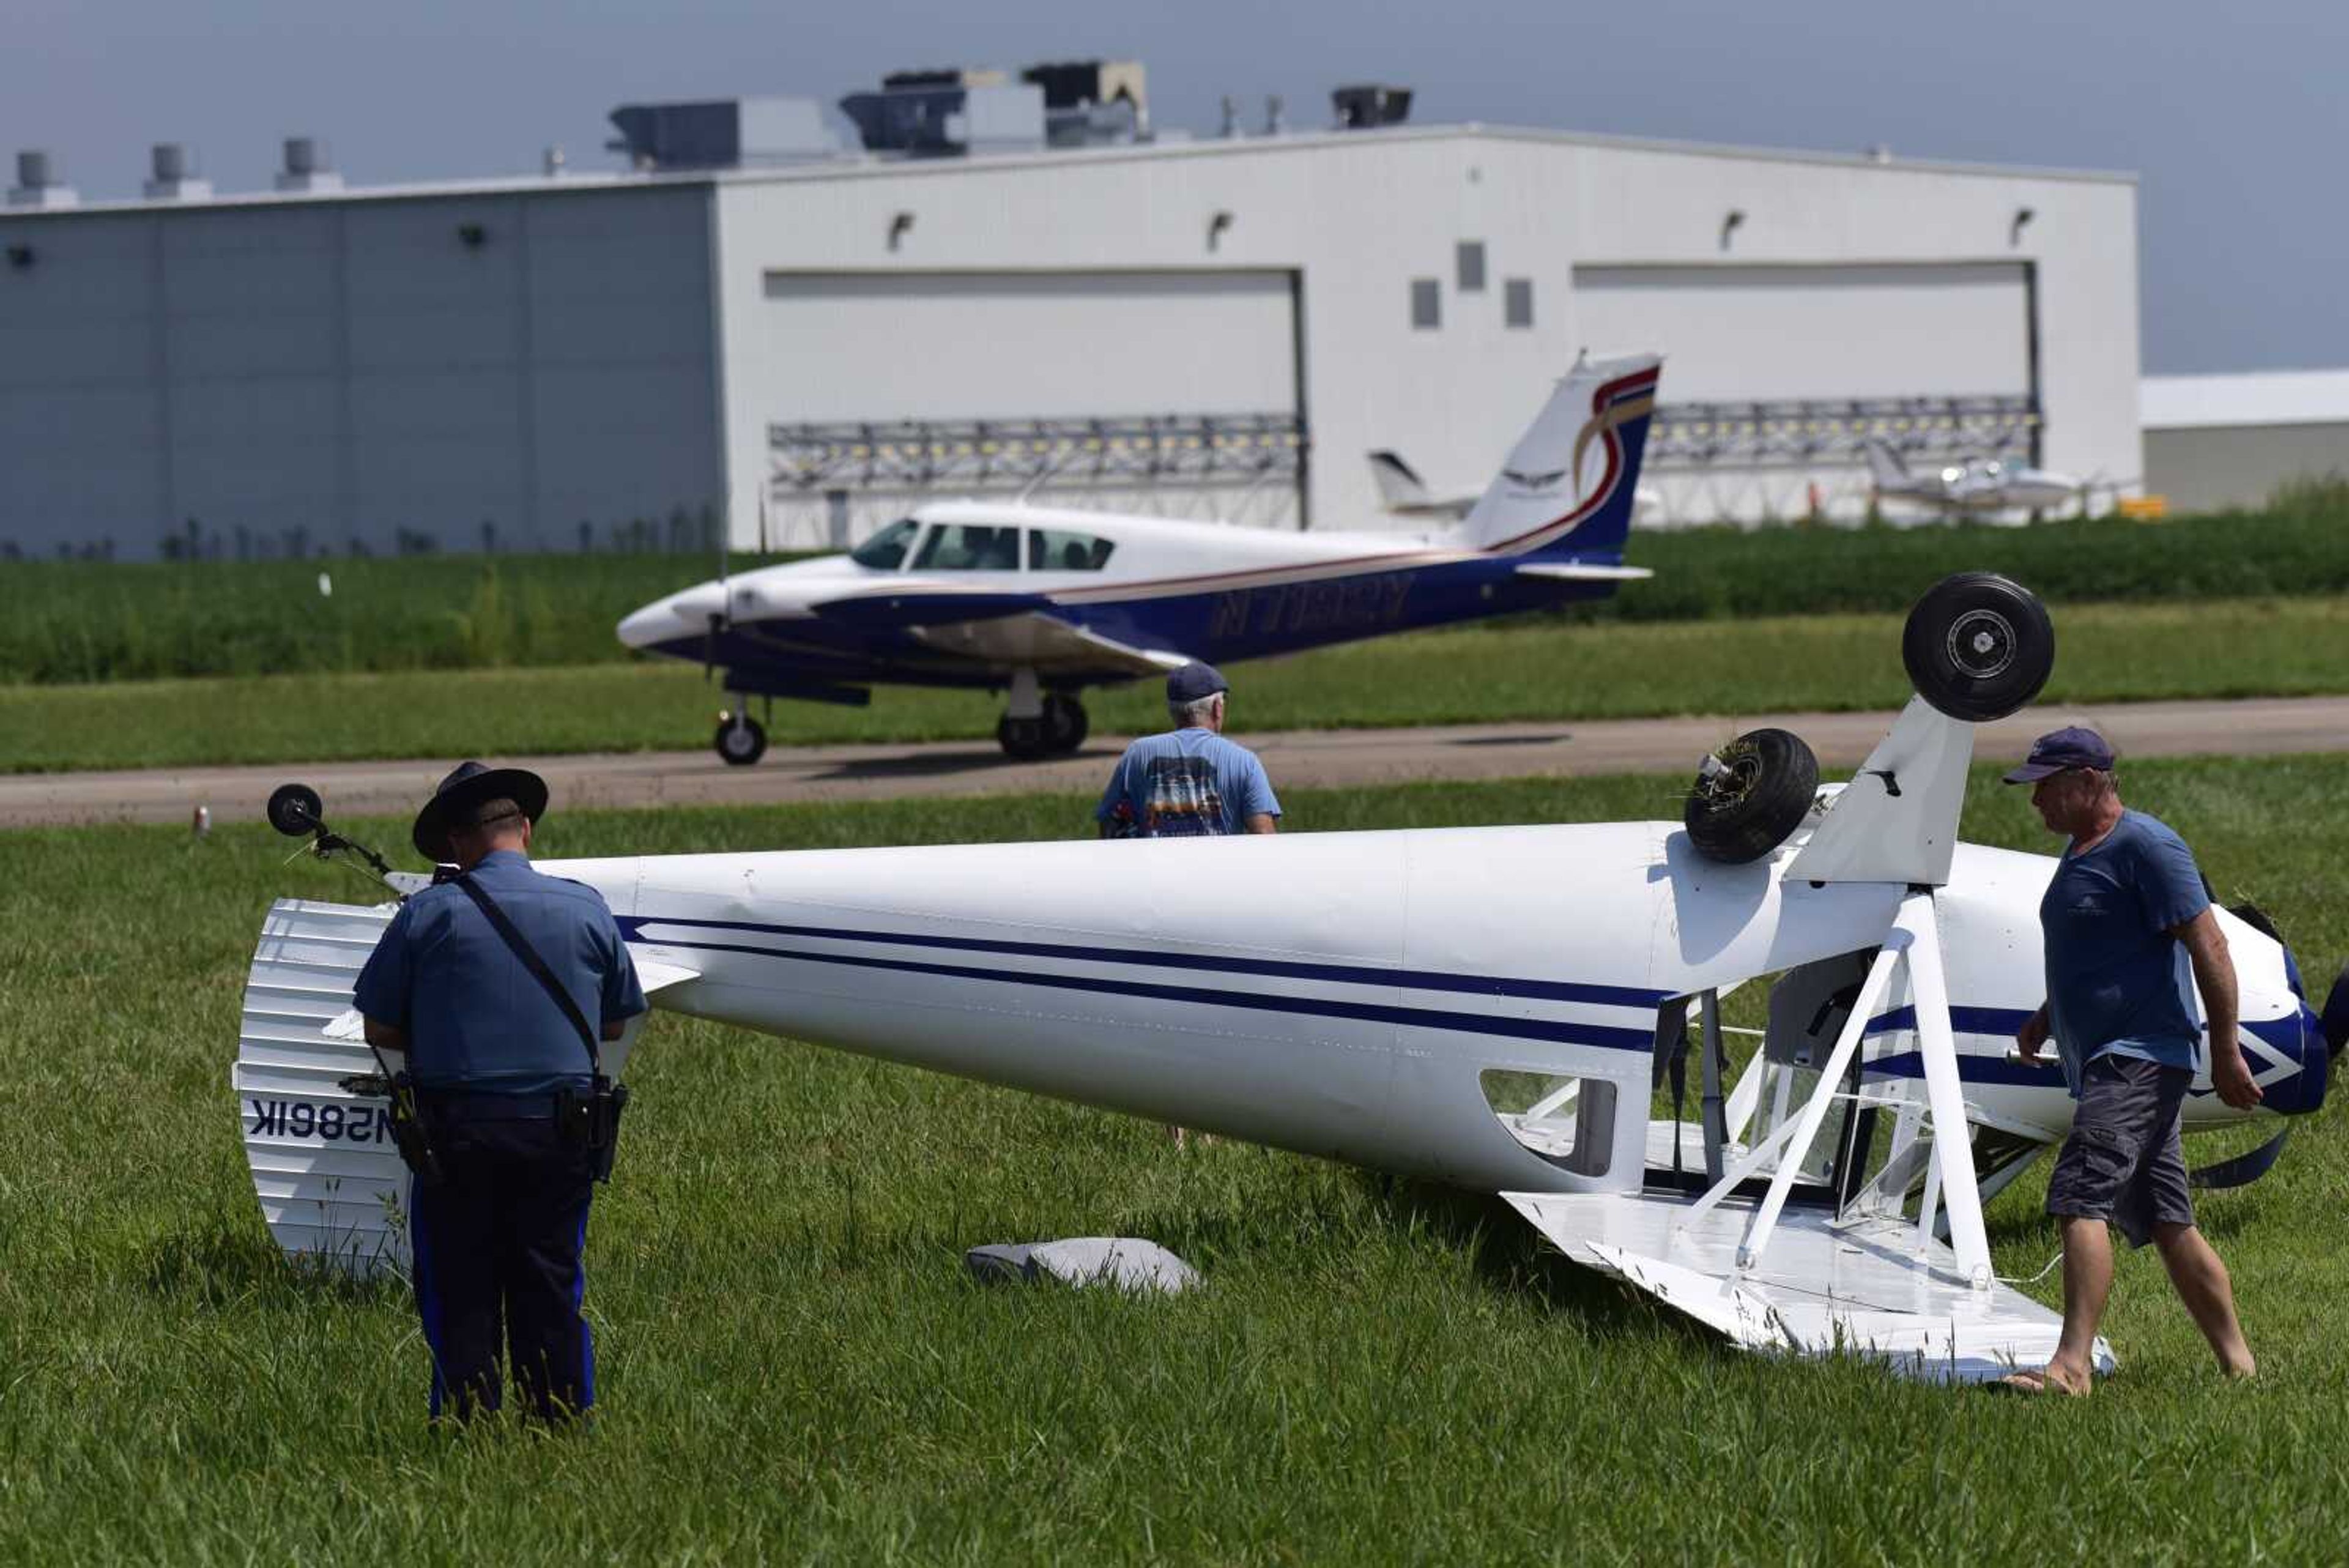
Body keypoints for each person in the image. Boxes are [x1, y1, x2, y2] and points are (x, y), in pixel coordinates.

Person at [354, 760, 647, 1423]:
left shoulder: (427, 914)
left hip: (458, 1135)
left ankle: (468, 1427)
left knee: (462, 1289)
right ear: (527, 830)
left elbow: (378, 1023)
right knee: (550, 1283)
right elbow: (617, 1017)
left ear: (456, 844)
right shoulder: (586, 907)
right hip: (562, 1131)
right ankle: (560, 1423)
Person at [1999, 726, 2261, 1395]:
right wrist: (2047, 1015)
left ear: (2089, 781)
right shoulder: (2081, 849)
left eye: (2047, 788)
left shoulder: (2147, 846)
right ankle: (2241, 1368)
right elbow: (2097, 952)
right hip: (2113, 1057)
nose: (2037, 804)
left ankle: (2071, 1367)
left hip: (2140, 1057)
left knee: (2079, 1193)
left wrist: (2226, 1050)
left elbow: (2211, 947)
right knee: (2171, 1222)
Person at [1095, 662, 1281, 839]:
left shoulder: (1137, 753)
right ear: (1217, 708)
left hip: (1155, 872)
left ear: (1172, 710)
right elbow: (1263, 836)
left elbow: (1109, 826)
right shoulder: (1244, 761)